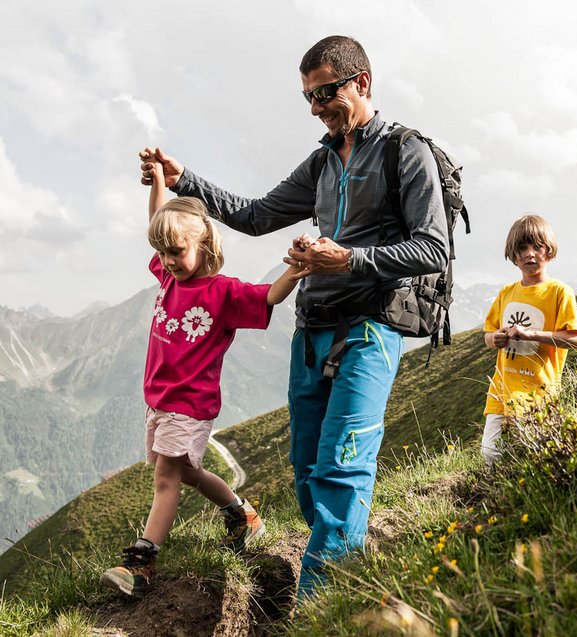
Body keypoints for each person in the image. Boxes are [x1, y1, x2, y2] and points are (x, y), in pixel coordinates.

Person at [137, 35, 449, 598]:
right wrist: (184, 182)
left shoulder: (406, 151)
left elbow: (433, 248)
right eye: (308, 97)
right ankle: (345, 564)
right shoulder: (323, 161)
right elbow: (257, 216)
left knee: (340, 469)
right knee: (307, 470)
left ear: (363, 82)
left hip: (372, 326)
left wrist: (348, 258)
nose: (316, 107)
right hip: (313, 328)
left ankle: (318, 606)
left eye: (326, 92)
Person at [101, 160, 307, 597]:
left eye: (177, 251)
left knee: (166, 479)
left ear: (203, 244)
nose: (168, 260)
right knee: (183, 472)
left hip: (188, 404)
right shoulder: (168, 277)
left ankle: (142, 563)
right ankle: (242, 515)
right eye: (163, 253)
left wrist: (296, 268)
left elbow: (267, 296)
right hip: (160, 401)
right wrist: (158, 181)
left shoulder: (222, 292)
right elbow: (159, 220)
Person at [481, 215, 577, 465]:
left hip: (539, 391)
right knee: (491, 454)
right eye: (522, 248)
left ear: (549, 251)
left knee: (531, 456)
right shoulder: (507, 292)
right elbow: (488, 334)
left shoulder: (560, 292)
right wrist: (495, 338)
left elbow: (576, 340)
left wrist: (532, 335)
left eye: (537, 247)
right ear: (513, 254)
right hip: (501, 389)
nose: (530, 254)